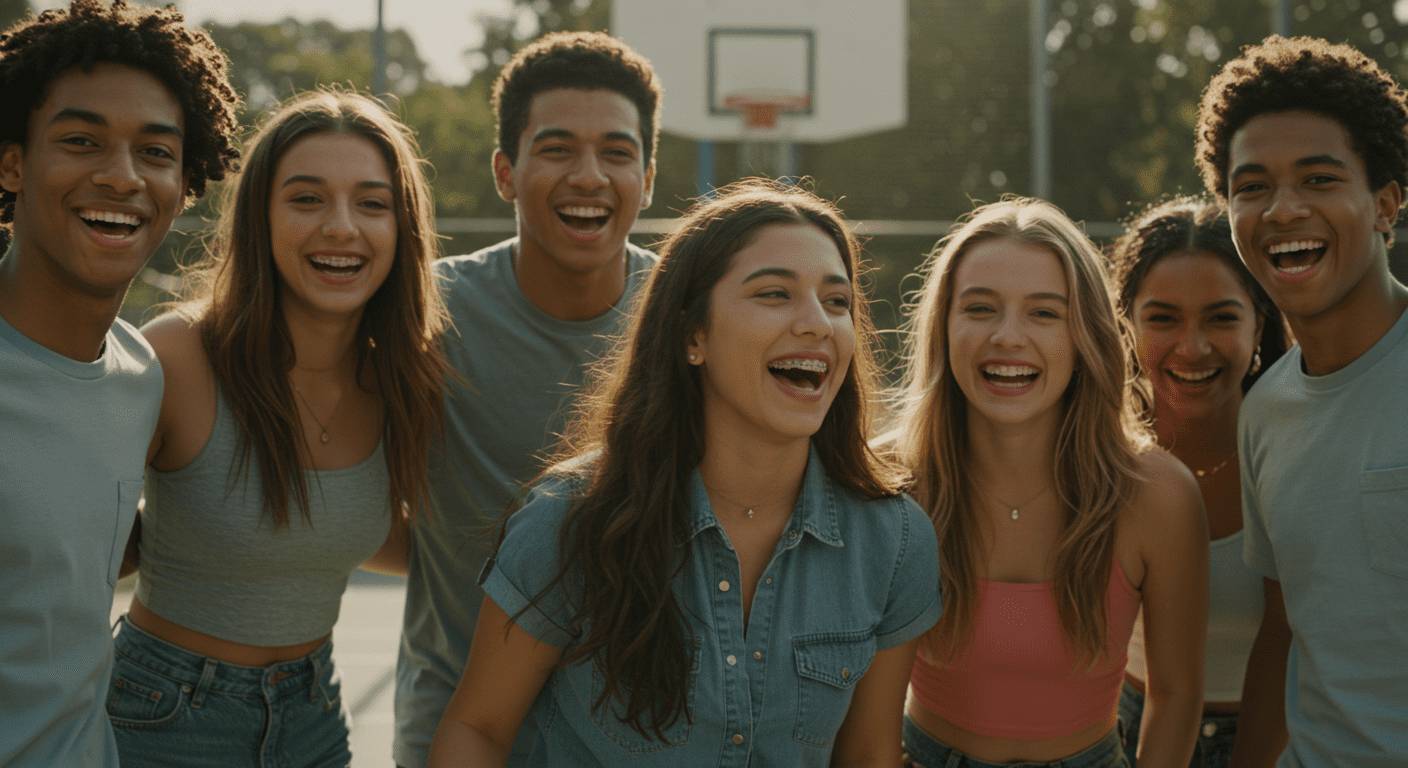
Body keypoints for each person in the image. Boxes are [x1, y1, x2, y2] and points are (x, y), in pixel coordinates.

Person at [427, 178, 941, 767]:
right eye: (775, 294)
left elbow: (870, 754)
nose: (817, 323)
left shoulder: (895, 540)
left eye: (837, 301)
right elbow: (479, 729)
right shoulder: (568, 521)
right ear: (692, 335)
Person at [107, 89, 451, 767]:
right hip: (163, 712)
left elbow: (368, 532)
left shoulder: (403, 380)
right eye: (306, 198)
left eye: (372, 203)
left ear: (402, 228)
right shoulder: (179, 356)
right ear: (260, 220)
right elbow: (81, 551)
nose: (342, 226)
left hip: (313, 715)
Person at [395, 30, 662, 767]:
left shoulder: (689, 316)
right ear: (505, 172)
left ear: (647, 174)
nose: (589, 175)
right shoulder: (425, 314)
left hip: (630, 738)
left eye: (616, 151)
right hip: (454, 730)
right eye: (556, 149)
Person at [0, 1, 239, 765]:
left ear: (186, 180)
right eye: (80, 141)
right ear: (11, 162)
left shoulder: (139, 374)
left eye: (156, 152)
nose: (121, 175)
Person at [892, 198, 1209, 768]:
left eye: (1044, 313)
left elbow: (1177, 693)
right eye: (981, 308)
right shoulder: (888, 482)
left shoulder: (1158, 494)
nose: (1009, 337)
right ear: (943, 326)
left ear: (1084, 336)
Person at [1194, 36, 1408, 767]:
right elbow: (1287, 629)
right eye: (1250, 187)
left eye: (1318, 179)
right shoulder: (1264, 411)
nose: (1282, 209)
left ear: (1385, 204)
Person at [1108, 196, 1291, 768]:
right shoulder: (1098, 459)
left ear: (1259, 322)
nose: (1193, 347)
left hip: (1275, 734)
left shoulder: (1296, 450)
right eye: (1163, 318)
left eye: (1221, 317)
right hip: (1125, 732)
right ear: (1127, 324)